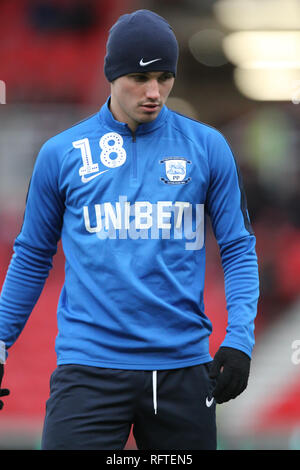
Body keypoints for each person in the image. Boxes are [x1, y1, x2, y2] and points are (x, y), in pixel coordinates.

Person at [0, 9, 259, 450]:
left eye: (164, 77)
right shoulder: (61, 154)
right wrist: (1, 339)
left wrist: (240, 340)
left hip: (182, 371)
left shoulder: (207, 147)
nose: (154, 92)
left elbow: (237, 248)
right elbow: (31, 256)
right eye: (140, 79)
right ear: (111, 74)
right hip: (88, 372)